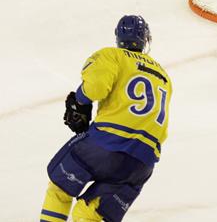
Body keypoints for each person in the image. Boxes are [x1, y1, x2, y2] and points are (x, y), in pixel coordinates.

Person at [40, 15, 171, 222]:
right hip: (141, 163)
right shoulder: (163, 76)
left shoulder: (112, 55)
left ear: (118, 37)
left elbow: (96, 88)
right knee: (89, 213)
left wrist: (80, 100)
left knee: (60, 188)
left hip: (105, 144)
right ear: (145, 39)